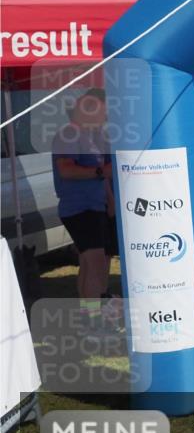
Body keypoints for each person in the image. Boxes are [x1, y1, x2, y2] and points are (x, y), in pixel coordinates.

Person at [51, 89, 117, 319]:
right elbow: (66, 169)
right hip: (79, 208)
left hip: (95, 207)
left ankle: (88, 315)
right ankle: (95, 318)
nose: (106, 117)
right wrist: (100, 171)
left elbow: (103, 175)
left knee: (91, 264)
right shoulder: (69, 134)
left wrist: (109, 200)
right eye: (103, 112)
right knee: (96, 264)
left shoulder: (94, 136)